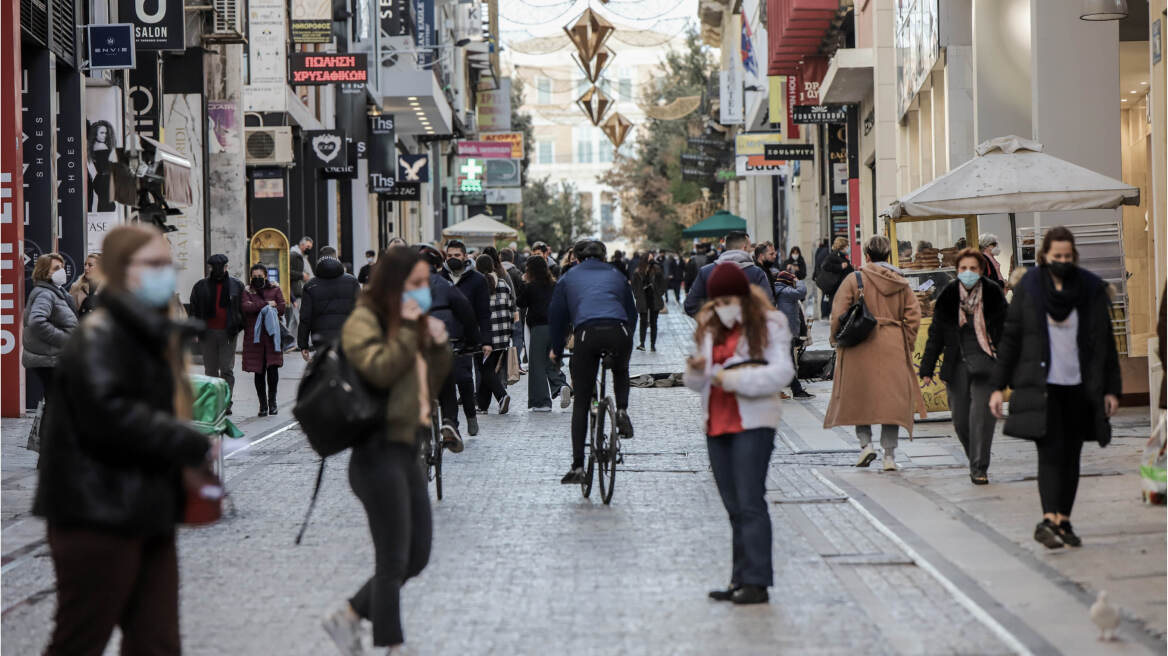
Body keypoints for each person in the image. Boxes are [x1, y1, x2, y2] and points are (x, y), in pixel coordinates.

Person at [34, 224, 211, 655]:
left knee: (157, 642)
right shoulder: (98, 335)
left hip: (148, 507)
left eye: (166, 264)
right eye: (151, 264)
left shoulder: (146, 333)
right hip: (95, 511)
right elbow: (108, 415)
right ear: (120, 271)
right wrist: (183, 439)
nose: (163, 273)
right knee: (80, 638)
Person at [324, 247, 452, 654]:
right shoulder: (365, 320)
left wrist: (438, 344)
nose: (422, 292)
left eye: (425, 284)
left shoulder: (410, 322)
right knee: (393, 558)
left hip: (408, 448)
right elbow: (377, 369)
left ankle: (347, 615)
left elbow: (431, 381)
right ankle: (393, 644)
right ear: (394, 285)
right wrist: (411, 333)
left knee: (418, 555)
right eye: (414, 284)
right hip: (375, 453)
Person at [989, 227, 1121, 549]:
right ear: (1044, 256)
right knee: (1049, 453)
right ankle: (1049, 518)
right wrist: (997, 386)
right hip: (1041, 386)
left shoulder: (1089, 289)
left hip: (1079, 387)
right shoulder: (1029, 289)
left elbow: (1105, 343)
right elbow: (1011, 338)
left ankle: (1063, 519)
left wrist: (1111, 389)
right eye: (1055, 256)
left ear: (1073, 255)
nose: (1061, 261)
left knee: (1071, 455)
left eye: (1066, 256)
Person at [683, 263, 793, 606]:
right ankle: (739, 578)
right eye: (717, 301)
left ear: (744, 295)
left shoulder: (770, 323)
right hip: (717, 422)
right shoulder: (710, 326)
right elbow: (698, 382)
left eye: (729, 298)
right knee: (733, 506)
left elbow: (782, 372)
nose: (723, 306)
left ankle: (757, 581)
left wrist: (733, 380)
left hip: (753, 422)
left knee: (750, 501)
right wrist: (696, 372)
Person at [823, 235, 924, 472]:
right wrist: (906, 342)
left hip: (859, 344)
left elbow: (838, 313)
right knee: (892, 401)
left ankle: (865, 445)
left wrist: (835, 339)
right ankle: (889, 456)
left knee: (860, 397)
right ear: (888, 255)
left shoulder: (854, 279)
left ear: (867, 255)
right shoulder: (900, 282)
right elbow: (913, 316)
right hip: (892, 344)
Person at [549, 239, 637, 484]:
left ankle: (578, 466)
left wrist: (556, 350)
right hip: (619, 330)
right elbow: (632, 311)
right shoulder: (617, 274)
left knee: (582, 401)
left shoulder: (567, 278)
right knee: (621, 369)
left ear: (576, 258)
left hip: (587, 333)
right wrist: (627, 337)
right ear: (604, 257)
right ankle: (621, 409)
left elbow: (556, 317)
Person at [919, 249, 1007, 484]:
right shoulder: (948, 295)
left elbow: (1005, 334)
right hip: (956, 364)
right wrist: (927, 368)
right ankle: (973, 457)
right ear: (957, 271)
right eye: (963, 269)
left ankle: (980, 467)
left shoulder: (992, 294)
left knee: (982, 418)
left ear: (981, 270)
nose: (968, 273)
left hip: (986, 362)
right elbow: (935, 333)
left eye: (973, 269)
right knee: (960, 420)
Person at [416, 244, 478, 453]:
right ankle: (450, 422)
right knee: (446, 384)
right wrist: (471, 342)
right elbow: (467, 314)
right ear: (437, 265)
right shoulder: (445, 286)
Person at [441, 239, 491, 436]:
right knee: (445, 382)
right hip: (442, 337)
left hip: (464, 338)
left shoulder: (477, 280)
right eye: (450, 255)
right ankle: (451, 424)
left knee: (463, 378)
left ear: (464, 256)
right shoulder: (439, 278)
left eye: (457, 255)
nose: (453, 259)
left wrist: (486, 340)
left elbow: (484, 313)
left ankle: (470, 414)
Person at [23, 253, 79, 420]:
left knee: (56, 403)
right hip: (49, 358)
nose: (61, 271)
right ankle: (50, 442)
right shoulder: (45, 294)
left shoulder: (56, 292)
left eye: (62, 267)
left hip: (53, 358)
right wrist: (65, 339)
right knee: (57, 404)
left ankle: (49, 442)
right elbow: (37, 321)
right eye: (56, 268)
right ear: (44, 272)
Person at [188, 254, 244, 413]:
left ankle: (226, 402)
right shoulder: (200, 286)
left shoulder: (236, 285)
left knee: (226, 369)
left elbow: (242, 308)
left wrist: (237, 327)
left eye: (224, 266)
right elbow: (193, 308)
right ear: (210, 268)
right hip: (207, 334)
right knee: (210, 370)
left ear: (227, 267)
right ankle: (213, 402)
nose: (221, 270)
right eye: (215, 267)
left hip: (228, 334)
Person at [518, 255, 571, 412]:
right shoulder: (555, 285)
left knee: (537, 365)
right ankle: (561, 387)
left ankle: (541, 402)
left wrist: (523, 283)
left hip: (539, 328)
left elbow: (519, 302)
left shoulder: (531, 287)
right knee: (550, 362)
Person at [684, 231, 772, 316]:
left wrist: (713, 319)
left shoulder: (705, 271)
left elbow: (690, 305)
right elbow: (768, 303)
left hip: (716, 329)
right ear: (744, 248)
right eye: (749, 249)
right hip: (749, 329)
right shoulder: (756, 273)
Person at [298, 246, 360, 360]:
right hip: (347, 337)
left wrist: (303, 345)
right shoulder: (352, 281)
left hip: (321, 339)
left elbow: (305, 318)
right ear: (336, 258)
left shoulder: (310, 285)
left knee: (325, 371)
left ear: (319, 259)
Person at [241, 263, 286, 416]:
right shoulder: (247, 291)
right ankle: (263, 405)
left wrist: (258, 305)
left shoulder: (275, 289)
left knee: (272, 370)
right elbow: (246, 308)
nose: (257, 279)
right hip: (255, 337)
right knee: (258, 371)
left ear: (266, 276)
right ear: (250, 277)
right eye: (255, 277)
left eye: (260, 276)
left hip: (272, 337)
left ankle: (273, 403)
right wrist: (267, 304)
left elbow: (281, 307)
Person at [474, 254, 515, 415]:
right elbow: (512, 308)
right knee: (489, 368)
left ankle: (501, 396)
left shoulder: (478, 284)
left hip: (484, 336)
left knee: (484, 369)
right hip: (502, 336)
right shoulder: (504, 284)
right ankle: (483, 405)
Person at [774, 270, 813, 399]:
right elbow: (801, 292)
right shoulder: (785, 292)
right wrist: (798, 281)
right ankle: (796, 390)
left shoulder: (780, 291)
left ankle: (795, 389)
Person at [630, 254, 666, 352]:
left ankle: (652, 345)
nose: (651, 260)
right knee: (643, 322)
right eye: (649, 258)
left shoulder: (657, 269)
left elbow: (662, 283)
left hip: (654, 299)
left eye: (652, 258)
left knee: (654, 323)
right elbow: (634, 286)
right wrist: (637, 295)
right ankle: (642, 343)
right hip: (643, 299)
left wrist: (659, 293)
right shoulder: (638, 271)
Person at [814, 236, 852, 319]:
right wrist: (840, 267)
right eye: (847, 246)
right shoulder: (834, 255)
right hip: (835, 287)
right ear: (842, 247)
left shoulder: (841, 257)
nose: (848, 248)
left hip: (841, 287)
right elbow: (825, 265)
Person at [500, 248, 527, 365]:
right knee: (517, 337)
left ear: (500, 258)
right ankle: (515, 362)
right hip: (515, 310)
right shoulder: (516, 272)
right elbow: (523, 291)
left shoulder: (496, 272)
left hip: (500, 310)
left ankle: (503, 361)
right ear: (512, 259)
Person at [288, 236, 314, 336]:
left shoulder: (302, 257)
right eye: (307, 246)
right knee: (302, 318)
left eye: (310, 247)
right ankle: (308, 342)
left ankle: (288, 342)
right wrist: (301, 275)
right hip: (296, 292)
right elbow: (286, 272)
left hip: (301, 291)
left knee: (295, 320)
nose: (309, 249)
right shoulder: (294, 255)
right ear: (301, 245)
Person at [68, 253, 103, 317]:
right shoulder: (75, 287)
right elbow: (69, 312)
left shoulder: (108, 289)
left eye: (90, 265)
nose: (86, 268)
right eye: (85, 264)